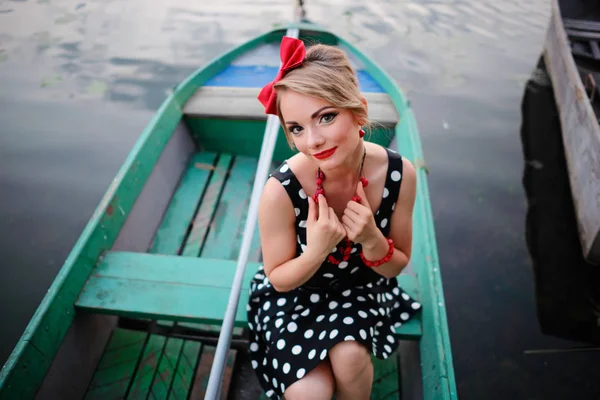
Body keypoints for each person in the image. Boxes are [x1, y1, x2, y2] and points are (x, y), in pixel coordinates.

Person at [246, 36, 422, 400]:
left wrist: (372, 238)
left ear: (358, 109)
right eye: (296, 128)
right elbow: (279, 280)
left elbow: (395, 267)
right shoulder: (281, 191)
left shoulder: (398, 174)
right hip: (294, 293)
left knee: (351, 359)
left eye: (325, 117)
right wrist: (315, 251)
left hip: (359, 287)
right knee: (309, 393)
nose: (312, 141)